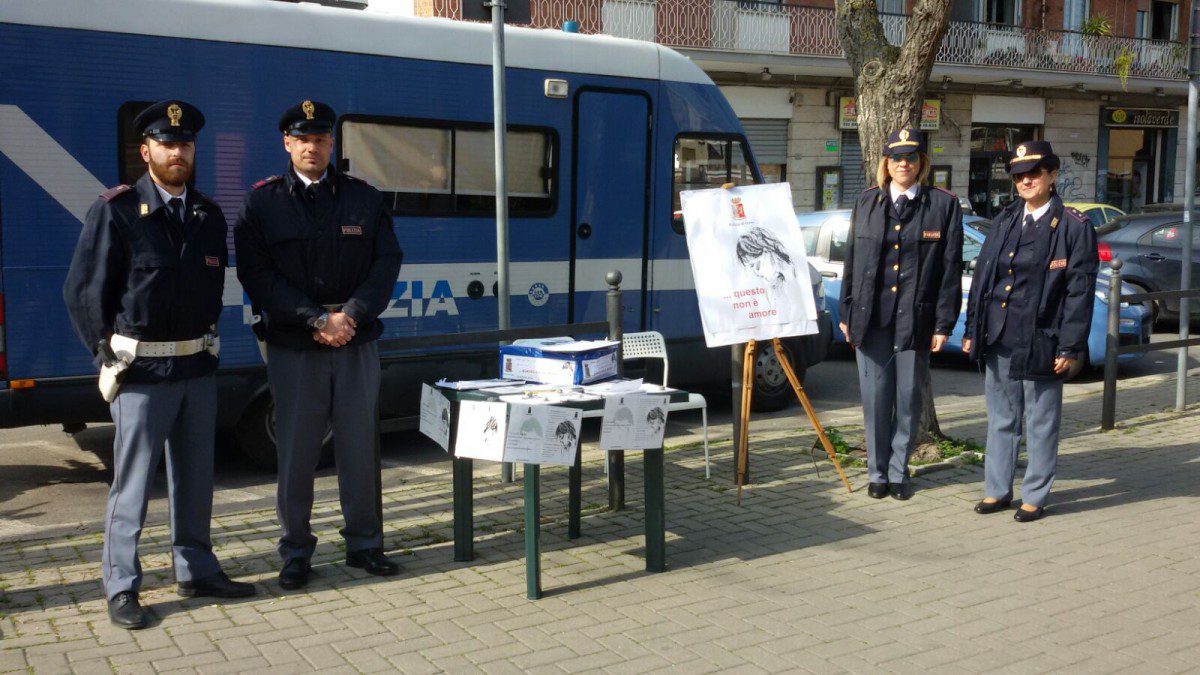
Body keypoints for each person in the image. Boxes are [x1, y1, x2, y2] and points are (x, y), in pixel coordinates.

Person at [63, 100, 255, 629]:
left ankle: (196, 568)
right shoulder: (117, 209)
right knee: (133, 485)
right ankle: (121, 585)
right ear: (145, 151)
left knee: (196, 479)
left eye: (185, 144)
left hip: (196, 370)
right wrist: (105, 352)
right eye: (167, 144)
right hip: (142, 375)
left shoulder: (209, 216)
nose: (177, 152)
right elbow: (82, 291)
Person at [235, 100, 403, 589]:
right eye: (303, 139)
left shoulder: (362, 198)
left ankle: (365, 545)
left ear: (333, 143)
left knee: (360, 450)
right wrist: (314, 319)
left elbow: (386, 263)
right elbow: (256, 274)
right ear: (287, 143)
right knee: (296, 454)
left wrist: (350, 314)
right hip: (295, 345)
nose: (313, 147)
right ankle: (295, 552)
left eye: (321, 139)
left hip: (354, 341)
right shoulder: (263, 203)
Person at [963, 141, 1097, 522]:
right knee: (1001, 417)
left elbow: (1079, 292)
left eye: (1034, 173)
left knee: (1040, 422)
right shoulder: (1005, 219)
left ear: (1052, 175)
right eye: (1019, 175)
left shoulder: (1073, 225)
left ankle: (1035, 494)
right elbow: (984, 278)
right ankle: (997, 490)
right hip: (999, 334)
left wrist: (1069, 347)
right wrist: (973, 327)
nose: (1025, 181)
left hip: (1042, 338)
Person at [839, 128, 963, 501]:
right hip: (871, 319)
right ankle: (877, 473)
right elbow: (851, 262)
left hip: (916, 318)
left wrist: (944, 322)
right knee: (875, 399)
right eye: (896, 158)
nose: (903, 164)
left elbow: (950, 269)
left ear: (921, 163)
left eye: (910, 158)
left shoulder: (942, 205)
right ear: (886, 164)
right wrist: (846, 311)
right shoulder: (866, 203)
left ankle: (899, 471)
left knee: (908, 401)